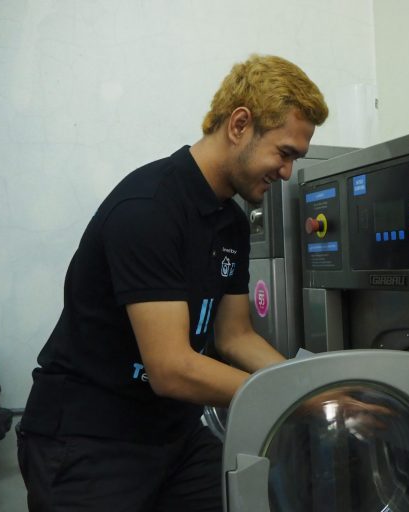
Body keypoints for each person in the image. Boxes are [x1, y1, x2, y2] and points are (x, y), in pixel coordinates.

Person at [17, 54, 329, 512]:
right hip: (88, 440)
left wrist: (316, 386)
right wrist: (294, 396)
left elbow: (235, 336)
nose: (286, 172)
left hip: (173, 437)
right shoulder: (149, 208)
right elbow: (171, 367)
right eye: (284, 153)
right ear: (240, 125)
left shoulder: (231, 223)